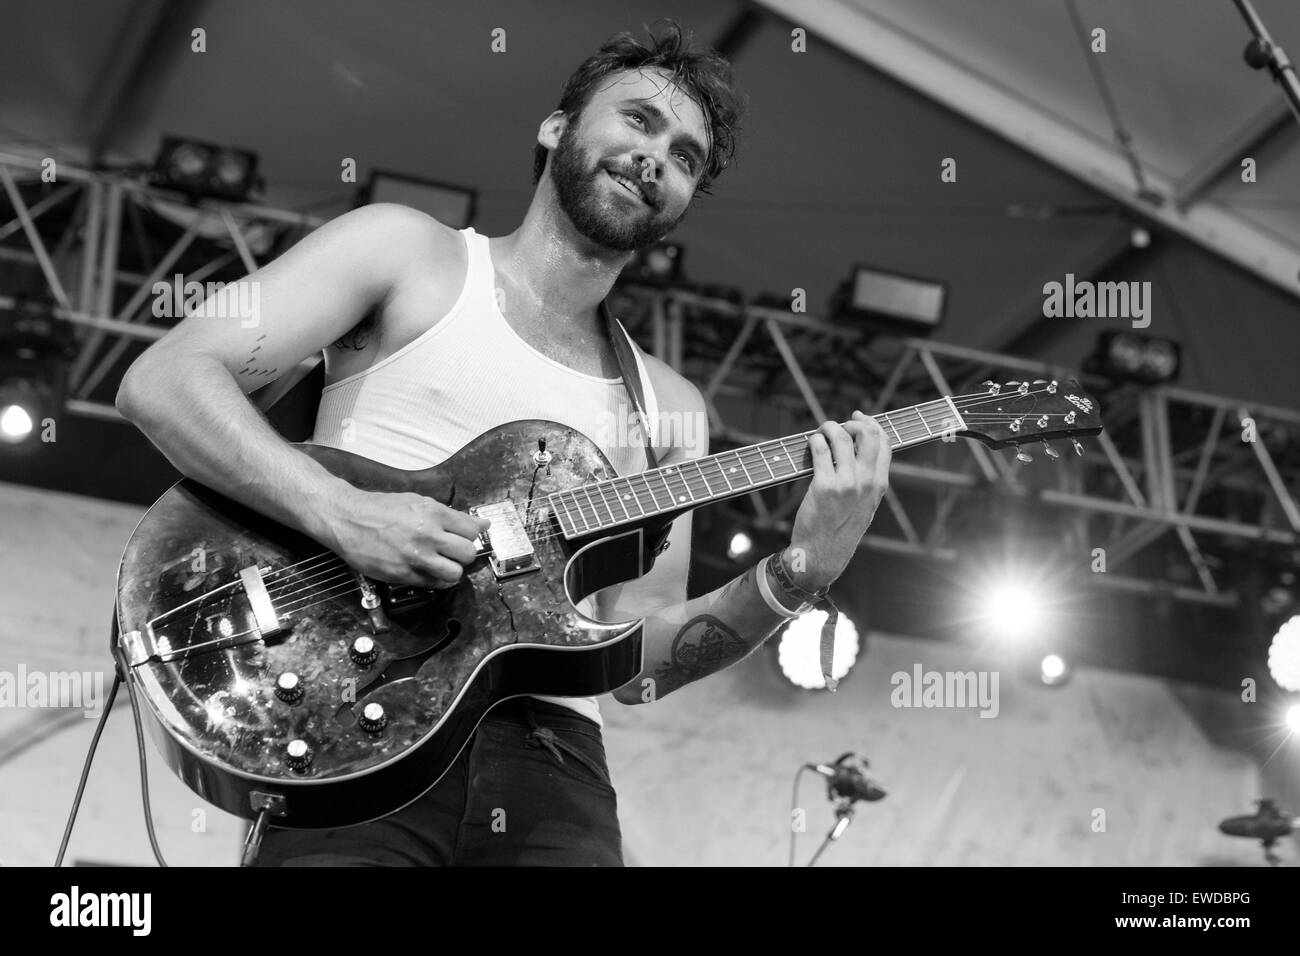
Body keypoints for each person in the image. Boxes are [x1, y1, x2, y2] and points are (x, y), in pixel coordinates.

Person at [115, 22, 892, 866]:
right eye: (636, 121)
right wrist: (346, 516)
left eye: (685, 157)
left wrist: (801, 572)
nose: (654, 158)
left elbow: (639, 665)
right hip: (355, 727)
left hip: (554, 767)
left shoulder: (672, 407)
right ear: (556, 128)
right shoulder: (408, 253)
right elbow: (166, 380)